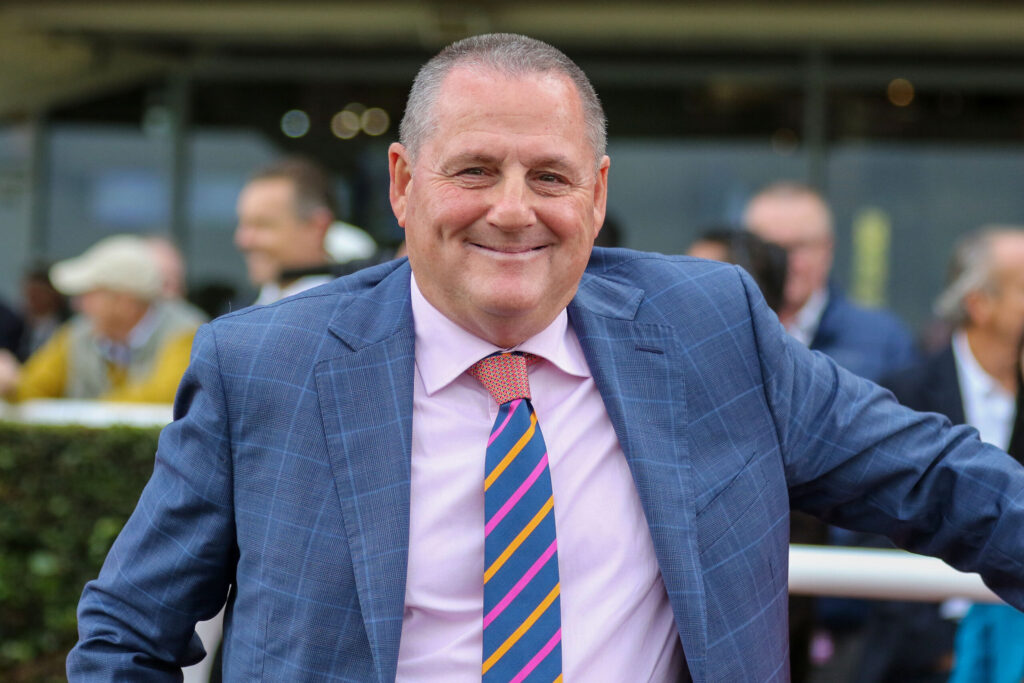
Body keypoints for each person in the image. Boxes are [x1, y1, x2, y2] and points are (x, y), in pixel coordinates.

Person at [68, 34, 1024, 682]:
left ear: (598, 196)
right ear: (403, 184)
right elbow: (126, 632)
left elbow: (941, 479)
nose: (515, 210)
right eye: (476, 170)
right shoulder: (263, 363)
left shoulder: (711, 328)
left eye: (551, 177)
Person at [875, 227, 1024, 683]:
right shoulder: (903, 394)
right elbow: (869, 531)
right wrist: (941, 650)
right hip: (916, 662)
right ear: (980, 303)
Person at [744, 182, 918, 383]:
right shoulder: (727, 334)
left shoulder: (882, 340)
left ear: (827, 249)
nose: (786, 262)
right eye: (772, 249)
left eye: (800, 247)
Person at [0, 234, 204, 403]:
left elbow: (164, 397)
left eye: (89, 294)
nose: (77, 304)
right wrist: (10, 383)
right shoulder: (78, 333)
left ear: (125, 302)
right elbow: (33, 387)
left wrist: (81, 413)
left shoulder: (186, 334)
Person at [234, 157, 375, 304]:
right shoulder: (237, 310)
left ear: (318, 227)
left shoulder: (356, 311)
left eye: (263, 225)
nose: (243, 241)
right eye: (243, 225)